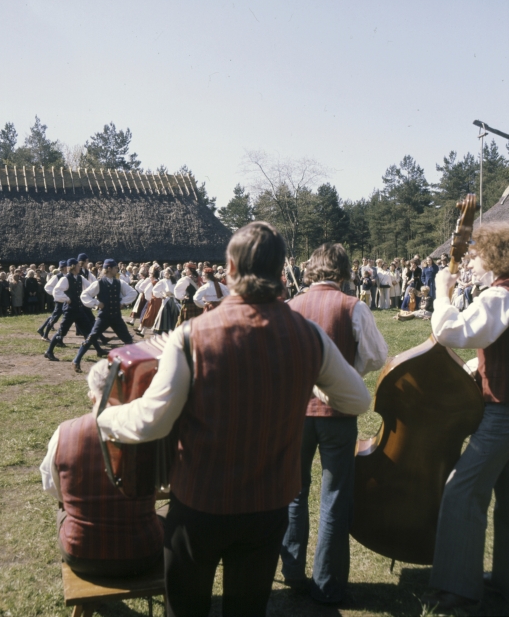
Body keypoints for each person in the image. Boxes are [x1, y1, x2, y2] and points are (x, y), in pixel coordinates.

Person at [97, 222, 371, 617]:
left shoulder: (192, 335)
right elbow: (357, 399)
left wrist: (105, 417)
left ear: (229, 268)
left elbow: (153, 420)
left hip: (200, 506)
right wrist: (305, 381)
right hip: (267, 508)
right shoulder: (309, 336)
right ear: (282, 270)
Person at [280, 243, 388, 604]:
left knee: (293, 492)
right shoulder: (352, 305)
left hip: (295, 412)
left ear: (312, 269)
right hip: (338, 413)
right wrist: (347, 373)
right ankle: (327, 583)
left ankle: (292, 572)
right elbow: (376, 355)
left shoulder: (291, 307)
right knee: (335, 496)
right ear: (343, 271)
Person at [422, 222, 509, 615]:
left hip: (502, 414)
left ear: (496, 257)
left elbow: (450, 330)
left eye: (478, 255)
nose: (474, 261)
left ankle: (459, 589)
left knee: (462, 491)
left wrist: (442, 292)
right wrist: (482, 364)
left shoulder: (498, 296)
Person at [40, 359, 165, 576]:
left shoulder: (65, 432)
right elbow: (164, 485)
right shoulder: (150, 433)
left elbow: (53, 488)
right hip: (144, 553)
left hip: (81, 554)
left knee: (63, 513)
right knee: (164, 514)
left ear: (91, 395)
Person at [72, 259, 137, 373]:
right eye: (115, 268)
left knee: (128, 339)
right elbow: (85, 295)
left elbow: (133, 293)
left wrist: (123, 302)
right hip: (104, 317)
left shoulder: (119, 282)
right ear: (109, 269)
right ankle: (76, 360)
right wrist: (96, 303)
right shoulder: (99, 283)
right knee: (91, 337)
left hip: (116, 316)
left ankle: (130, 365)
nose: (117, 269)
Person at [44, 259, 104, 363]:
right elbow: (56, 291)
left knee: (90, 330)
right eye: (77, 266)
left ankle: (99, 350)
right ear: (72, 267)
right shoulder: (65, 279)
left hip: (79, 310)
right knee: (62, 332)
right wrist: (66, 299)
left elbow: (91, 287)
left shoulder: (80, 278)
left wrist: (101, 284)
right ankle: (49, 351)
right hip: (70, 311)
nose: (79, 267)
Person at [37, 261, 67, 341]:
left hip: (66, 301)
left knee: (59, 317)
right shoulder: (57, 277)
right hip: (60, 301)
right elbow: (47, 287)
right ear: (64, 268)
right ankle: (45, 335)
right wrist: (55, 294)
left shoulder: (67, 276)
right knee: (55, 317)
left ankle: (42, 329)